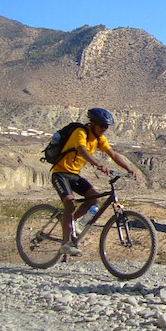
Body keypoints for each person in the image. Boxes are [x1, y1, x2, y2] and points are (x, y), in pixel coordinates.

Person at [50, 108, 137, 256]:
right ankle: (65, 244)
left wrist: (128, 168)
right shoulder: (81, 133)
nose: (104, 129)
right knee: (70, 204)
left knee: (95, 199)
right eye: (102, 126)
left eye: (106, 127)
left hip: (74, 175)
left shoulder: (99, 139)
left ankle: (73, 222)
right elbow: (82, 150)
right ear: (93, 123)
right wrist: (98, 164)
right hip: (61, 174)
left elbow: (113, 154)